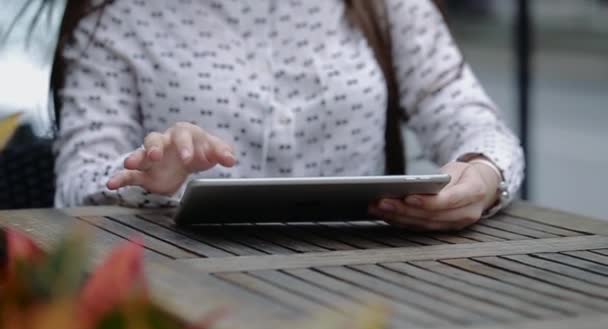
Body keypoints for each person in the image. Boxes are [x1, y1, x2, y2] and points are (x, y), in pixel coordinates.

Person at [54, 0, 524, 231]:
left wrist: (484, 173)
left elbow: (463, 111)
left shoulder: (383, 4)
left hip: (370, 291)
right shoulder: (115, 15)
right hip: (183, 294)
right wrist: (143, 173)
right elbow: (76, 183)